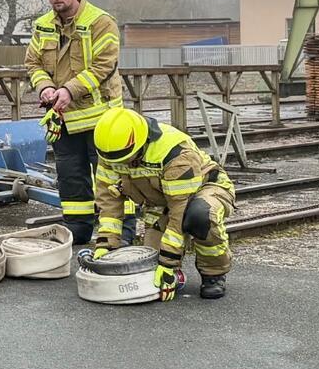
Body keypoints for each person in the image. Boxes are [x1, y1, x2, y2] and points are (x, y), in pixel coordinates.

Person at [25, 0, 128, 246]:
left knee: (111, 179)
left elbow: (104, 65)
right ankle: (79, 231)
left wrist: (69, 90)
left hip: (102, 120)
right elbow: (32, 63)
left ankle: (122, 233)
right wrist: (45, 87)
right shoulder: (43, 25)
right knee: (71, 179)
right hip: (63, 119)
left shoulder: (101, 22)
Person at [90, 106, 234, 300]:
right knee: (148, 266)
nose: (119, 165)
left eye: (125, 159)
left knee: (199, 216)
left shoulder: (175, 153)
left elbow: (179, 211)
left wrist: (168, 263)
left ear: (140, 144)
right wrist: (105, 247)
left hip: (206, 190)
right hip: (161, 202)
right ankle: (174, 271)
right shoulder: (112, 152)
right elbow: (109, 202)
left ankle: (213, 273)